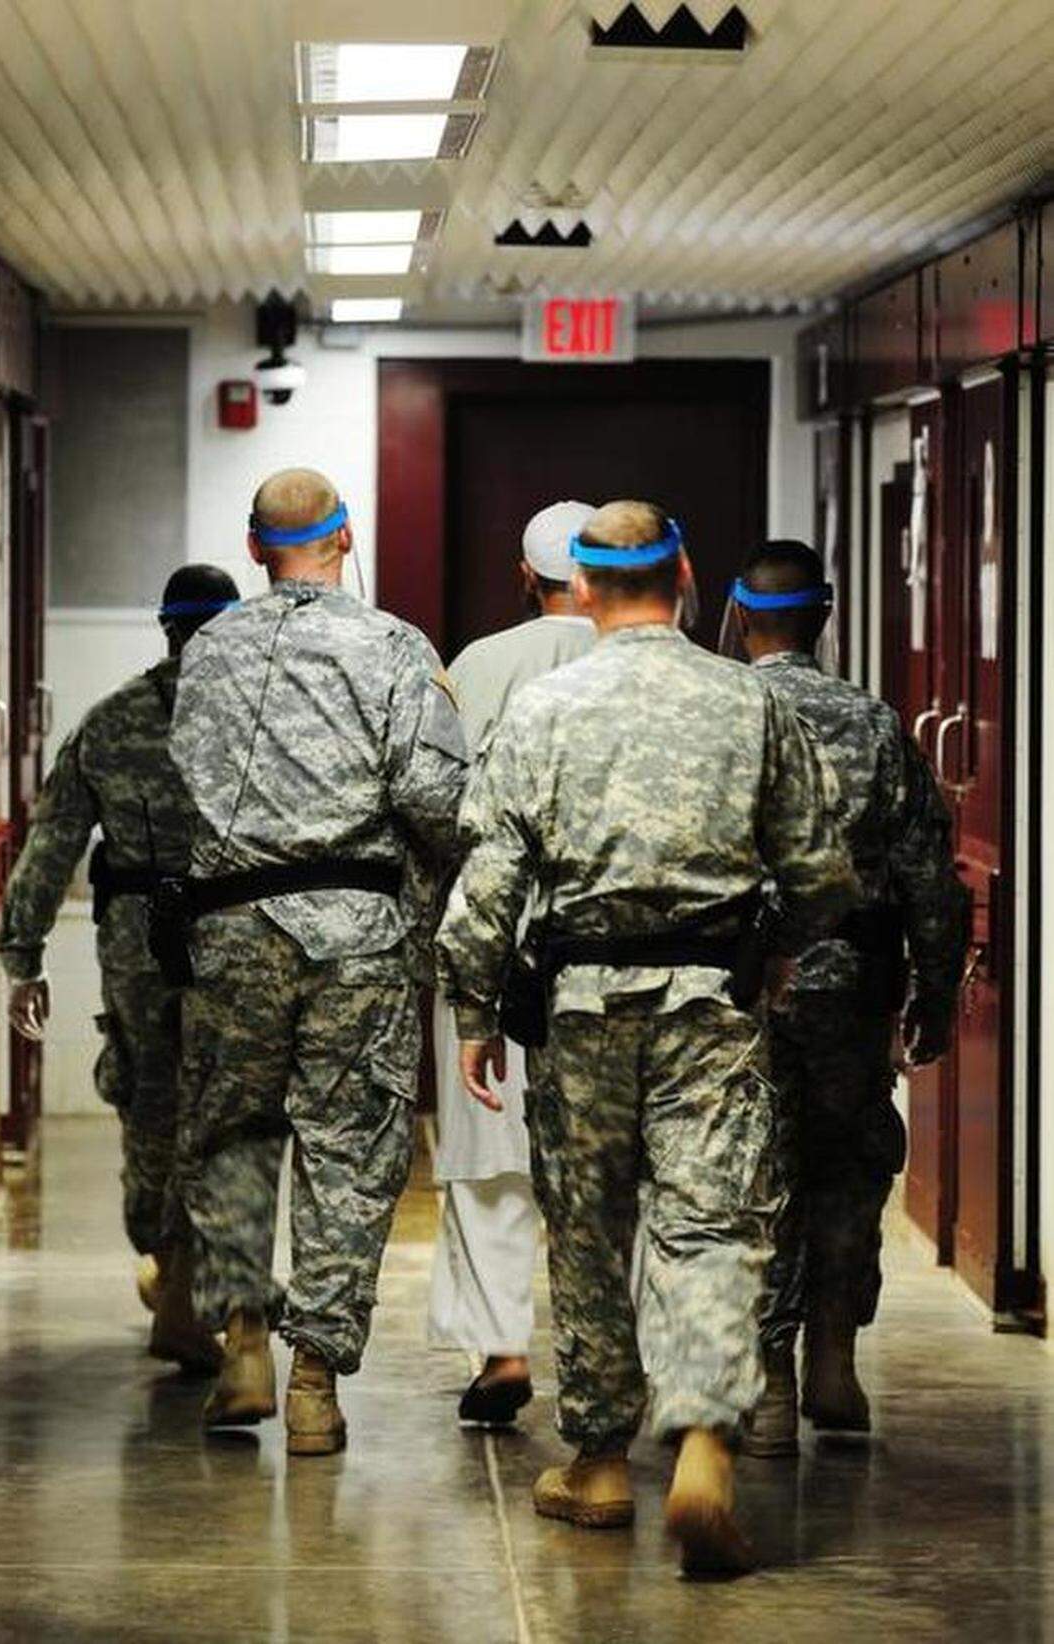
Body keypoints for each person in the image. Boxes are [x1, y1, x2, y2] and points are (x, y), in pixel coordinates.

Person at [436, 500, 858, 1576]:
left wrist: (475, 1014)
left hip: (580, 1009)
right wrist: (770, 951)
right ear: (684, 577)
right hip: (713, 1003)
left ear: (580, 589)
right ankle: (706, 1442)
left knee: (588, 1229)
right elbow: (821, 876)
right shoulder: (749, 703)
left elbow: (488, 885)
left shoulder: (543, 709)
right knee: (711, 1224)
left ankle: (600, 1464)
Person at [168, 468, 468, 1452]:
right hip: (358, 937)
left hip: (231, 934)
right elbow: (436, 800)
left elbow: (187, 787)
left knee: (232, 1138)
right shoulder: (394, 647)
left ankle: (243, 1339)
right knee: (349, 1150)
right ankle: (314, 1388)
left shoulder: (208, 650)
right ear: (347, 538)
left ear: (255, 547)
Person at [722, 541, 969, 1457]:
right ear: (824, 616)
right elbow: (929, 875)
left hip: (745, 988)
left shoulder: (721, 715)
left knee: (753, 1178)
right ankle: (833, 1358)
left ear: (739, 615)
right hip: (851, 990)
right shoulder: (874, 724)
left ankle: (768, 1384)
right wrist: (934, 993)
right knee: (848, 1167)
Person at [0, 563, 241, 1372]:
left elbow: (50, 846)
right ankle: (191, 1287)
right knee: (228, 1107)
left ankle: (168, 1265)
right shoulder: (261, 721)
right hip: (237, 936)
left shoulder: (109, 722)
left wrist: (23, 955)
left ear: (166, 628)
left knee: (150, 1099)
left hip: (137, 940)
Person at [429, 499, 597, 1427]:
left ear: (526, 578)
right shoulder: (644, 663)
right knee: (617, 1159)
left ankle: (502, 1352)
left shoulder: (477, 665)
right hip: (608, 950)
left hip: (492, 942)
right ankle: (621, 1353)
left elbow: (438, 805)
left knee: (490, 1153)